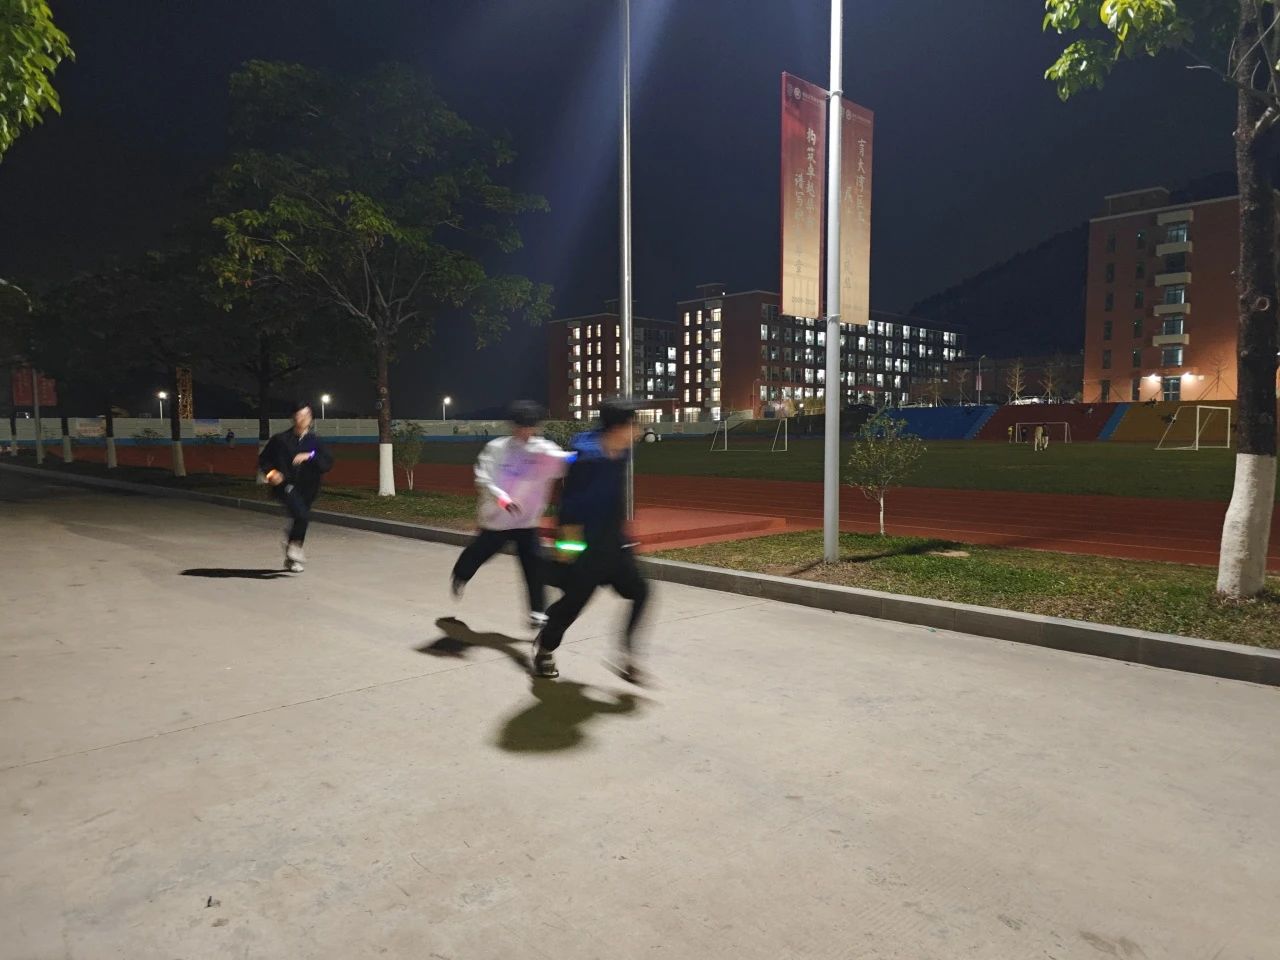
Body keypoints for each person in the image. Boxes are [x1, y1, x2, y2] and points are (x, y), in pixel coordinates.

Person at [533, 398, 649, 685]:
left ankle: (627, 655)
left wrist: (623, 537)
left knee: (641, 591)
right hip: (585, 548)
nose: (639, 431)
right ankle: (545, 648)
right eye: (634, 425)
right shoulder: (588, 460)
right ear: (618, 428)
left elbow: (615, 499)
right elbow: (568, 509)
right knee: (572, 606)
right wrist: (567, 554)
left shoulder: (621, 451)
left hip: (613, 544)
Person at [450, 400, 574, 628]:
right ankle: (461, 574)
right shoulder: (497, 448)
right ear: (513, 426)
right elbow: (484, 480)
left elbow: (566, 460)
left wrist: (585, 454)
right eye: (521, 426)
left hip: (527, 523)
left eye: (530, 426)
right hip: (498, 521)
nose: (525, 431)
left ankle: (537, 611)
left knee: (534, 565)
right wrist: (503, 499)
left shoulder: (543, 449)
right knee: (478, 554)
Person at [258, 402, 333, 572]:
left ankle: (291, 557)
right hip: (286, 485)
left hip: (309, 488)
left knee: (302, 518)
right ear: (293, 418)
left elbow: (327, 462)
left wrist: (310, 456)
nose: (304, 418)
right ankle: (294, 548)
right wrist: (271, 473)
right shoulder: (280, 440)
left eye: (307, 415)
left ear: (311, 419)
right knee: (302, 515)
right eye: (300, 415)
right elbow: (264, 459)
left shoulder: (315, 441)